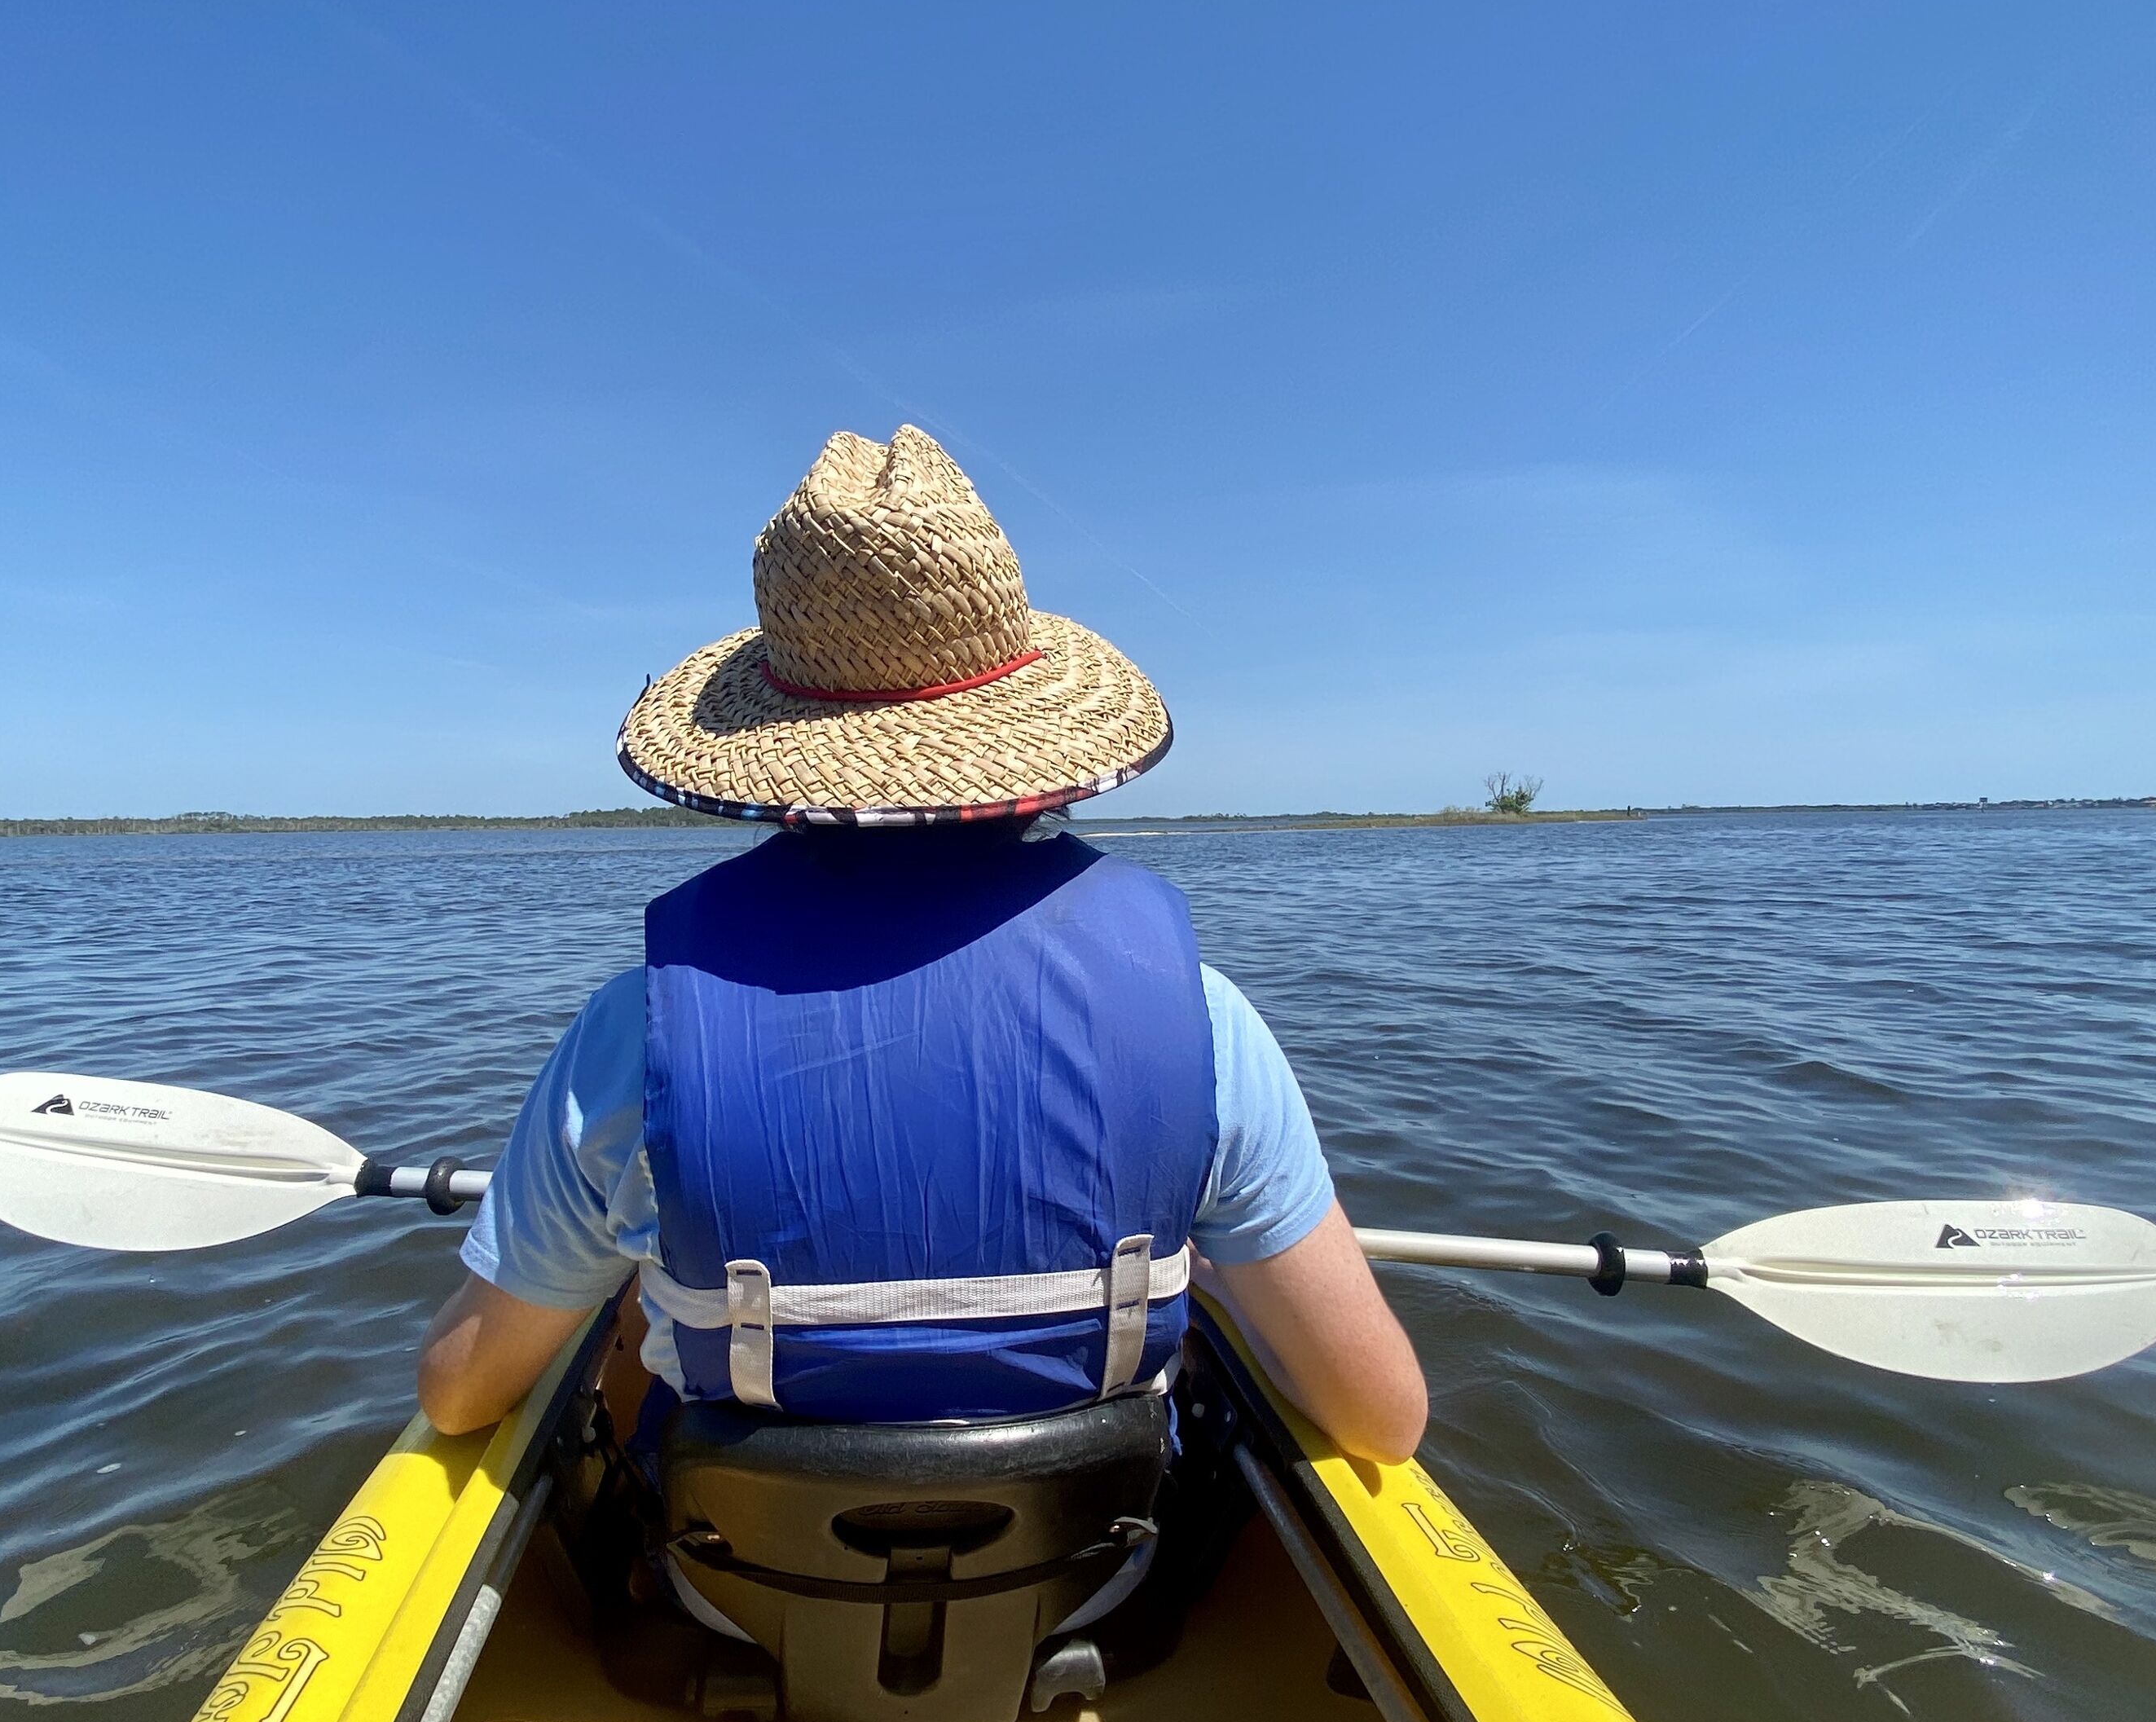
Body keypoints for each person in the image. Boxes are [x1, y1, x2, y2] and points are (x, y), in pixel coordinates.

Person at [416, 425, 1426, 1464]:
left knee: (645, 1290)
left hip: (727, 1559)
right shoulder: (1201, 1025)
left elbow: (458, 1394)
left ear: (774, 762)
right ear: (1033, 739)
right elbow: (1383, 1419)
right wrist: (1202, 1276)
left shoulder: (635, 1032)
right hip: (1099, 1555)